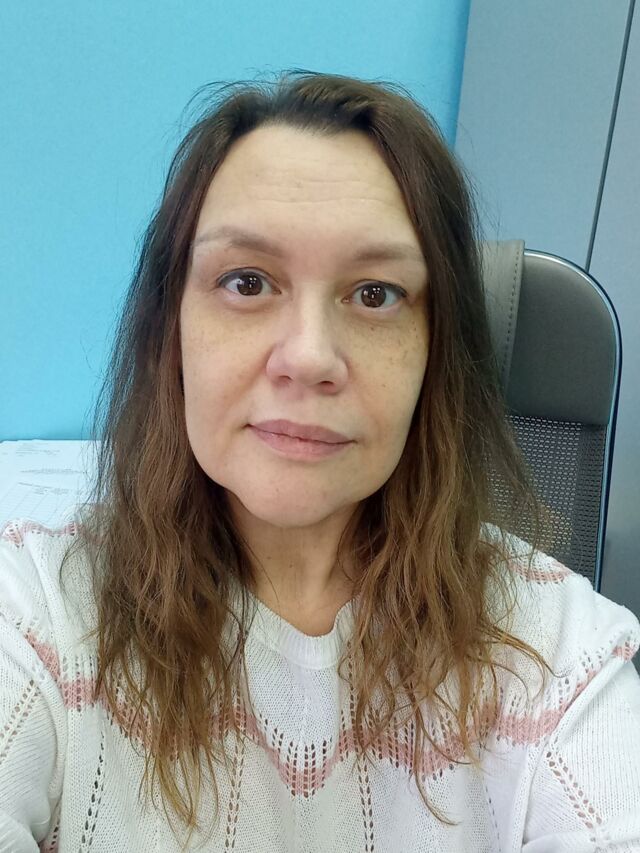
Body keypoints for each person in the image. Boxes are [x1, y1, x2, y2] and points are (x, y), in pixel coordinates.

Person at [1, 69, 639, 852]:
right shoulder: (35, 613)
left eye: (375, 294)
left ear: (437, 351)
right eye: (246, 281)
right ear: (171, 332)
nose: (308, 357)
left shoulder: (562, 659)